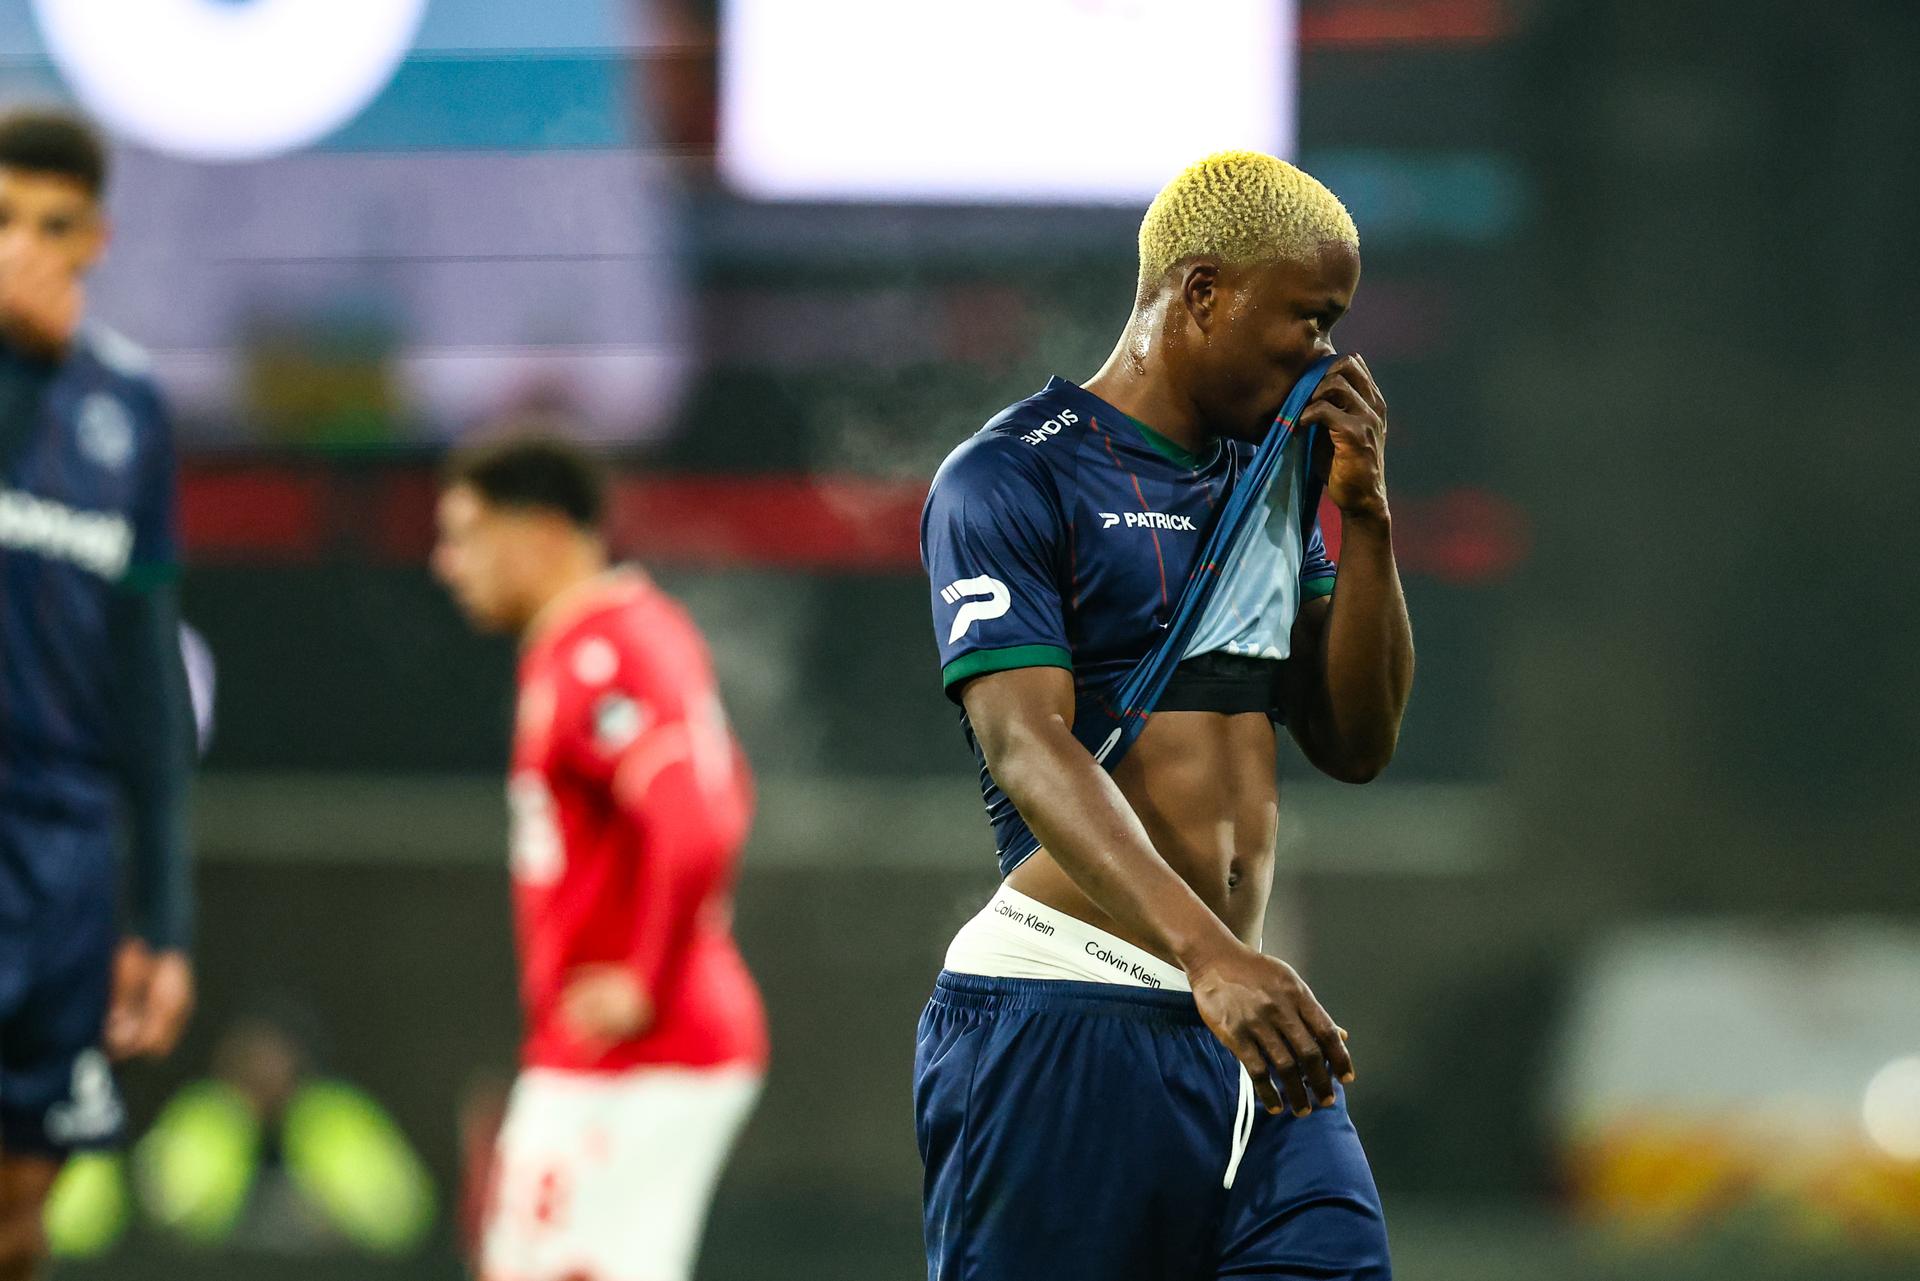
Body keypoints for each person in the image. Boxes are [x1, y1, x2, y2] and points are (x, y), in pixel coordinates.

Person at [916, 151, 1415, 1281]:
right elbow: (1023, 742)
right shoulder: (1008, 477)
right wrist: (1208, 955)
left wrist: (1368, 517)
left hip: (1247, 1014)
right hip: (1064, 1004)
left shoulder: (1271, 478)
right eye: (1307, 318)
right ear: (1200, 294)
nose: (1325, 353)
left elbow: (1357, 742)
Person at [432, 437, 767, 1281]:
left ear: (541, 531)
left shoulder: (601, 650)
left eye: (466, 533)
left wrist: (640, 977)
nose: (447, 562)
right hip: (613, 1054)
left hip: (642, 1052)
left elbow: (700, 817)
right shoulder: (608, 637)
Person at [0, 110, 196, 1281]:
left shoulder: (132, 411)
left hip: (65, 867)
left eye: (50, 224)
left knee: (23, 1212)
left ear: (98, 240)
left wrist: (163, 919)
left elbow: (149, 671)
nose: (21, 246)